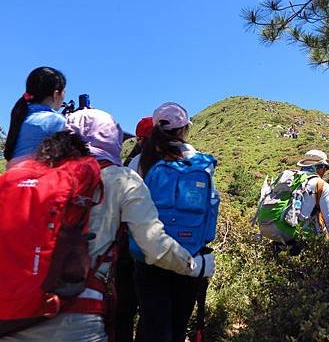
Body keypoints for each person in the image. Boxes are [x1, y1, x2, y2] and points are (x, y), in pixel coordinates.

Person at [2, 108, 214, 342]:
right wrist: (194, 266)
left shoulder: (25, 178)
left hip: (13, 316)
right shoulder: (120, 178)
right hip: (79, 318)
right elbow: (154, 246)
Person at [132, 102, 219, 342]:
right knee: (178, 326)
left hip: (149, 256)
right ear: (185, 129)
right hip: (191, 256)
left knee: (152, 325)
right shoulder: (201, 163)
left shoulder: (140, 161)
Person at [114, 115, 154, 342]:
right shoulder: (174, 160)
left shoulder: (133, 163)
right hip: (160, 242)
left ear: (140, 138)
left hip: (131, 245)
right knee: (152, 311)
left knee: (125, 310)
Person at [257, 149, 329, 253]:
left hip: (271, 229)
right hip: (300, 238)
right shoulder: (320, 185)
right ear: (321, 168)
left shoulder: (288, 179)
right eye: (325, 168)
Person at [3, 66, 67, 168]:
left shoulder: (20, 116)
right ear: (56, 94)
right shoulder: (55, 121)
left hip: (11, 180)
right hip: (38, 181)